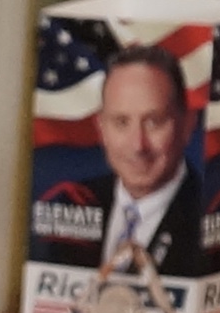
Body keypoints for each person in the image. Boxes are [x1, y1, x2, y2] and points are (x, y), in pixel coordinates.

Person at [87, 47, 204, 281]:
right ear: (101, 129)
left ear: (187, 124)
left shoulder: (206, 216)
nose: (138, 146)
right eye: (121, 122)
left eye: (154, 122)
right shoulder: (70, 201)